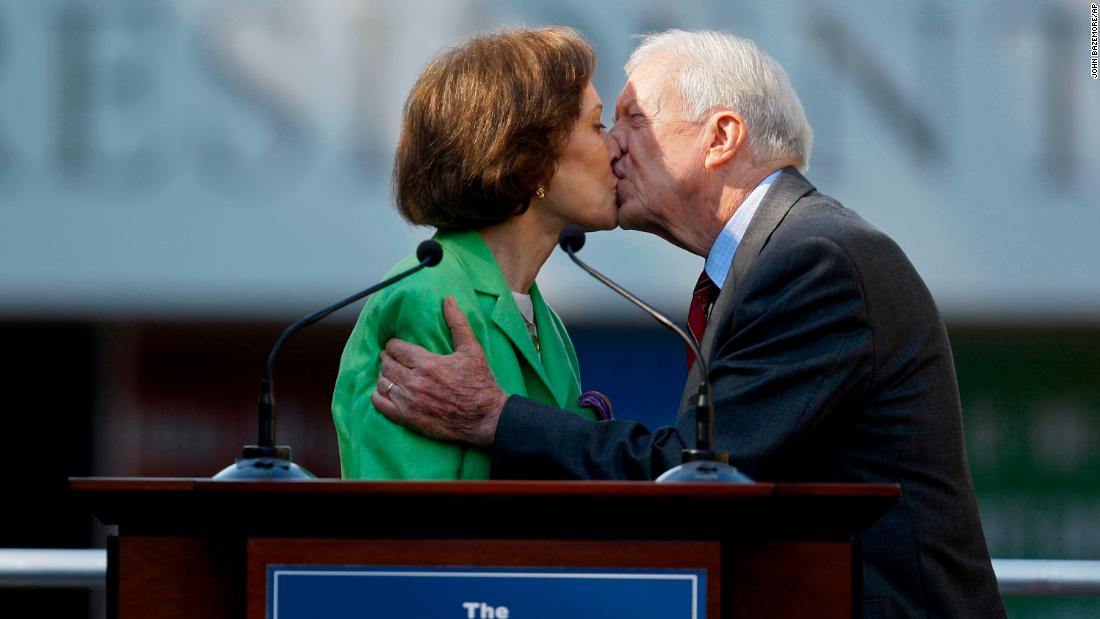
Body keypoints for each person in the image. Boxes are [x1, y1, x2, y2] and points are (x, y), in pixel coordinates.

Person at [370, 30, 1006, 617]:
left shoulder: (813, 260)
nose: (613, 144)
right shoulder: (776, 258)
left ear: (720, 137)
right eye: (605, 124)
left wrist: (496, 416)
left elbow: (696, 474)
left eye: (634, 121)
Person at [331, 27, 620, 480]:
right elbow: (405, 526)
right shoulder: (429, 296)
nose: (616, 146)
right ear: (531, 159)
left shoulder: (546, 322)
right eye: (597, 126)